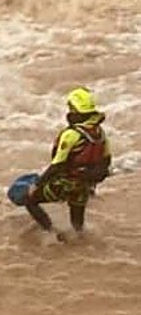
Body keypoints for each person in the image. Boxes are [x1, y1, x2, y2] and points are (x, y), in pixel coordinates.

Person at [24, 86, 112, 236]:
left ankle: (51, 232)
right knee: (78, 226)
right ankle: (80, 243)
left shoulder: (71, 134)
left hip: (66, 182)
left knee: (29, 200)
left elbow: (57, 165)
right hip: (84, 186)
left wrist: (37, 184)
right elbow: (106, 161)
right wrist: (91, 184)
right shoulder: (100, 133)